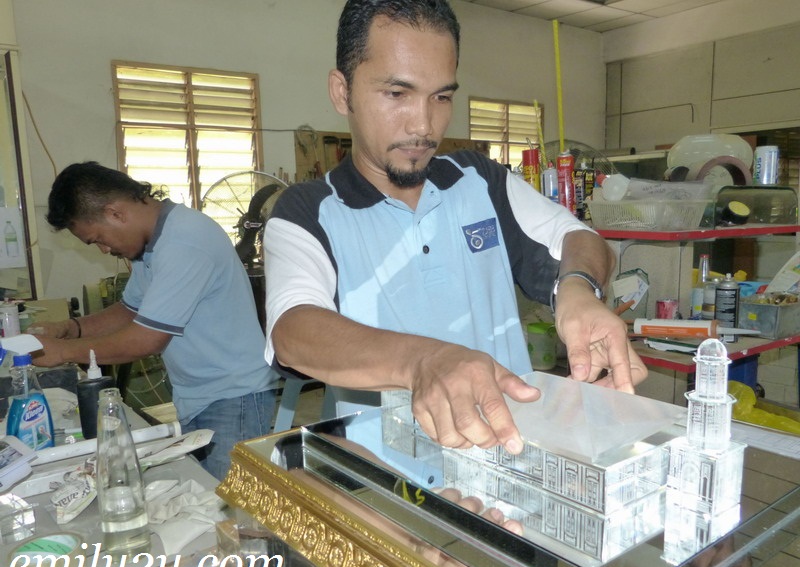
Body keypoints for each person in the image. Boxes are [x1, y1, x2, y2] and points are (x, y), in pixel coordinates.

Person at [263, 0, 647, 457]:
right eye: (397, 94)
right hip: (393, 478)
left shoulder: (480, 181)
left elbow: (579, 239)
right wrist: (423, 361)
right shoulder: (308, 212)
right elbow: (293, 330)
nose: (424, 125)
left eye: (441, 97)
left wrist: (578, 292)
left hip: (511, 456)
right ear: (342, 92)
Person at [30, 162, 279, 479]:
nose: (104, 249)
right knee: (204, 491)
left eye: (98, 239)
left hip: (233, 396)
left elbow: (147, 339)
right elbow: (130, 310)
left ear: (115, 213)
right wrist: (71, 329)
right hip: (198, 394)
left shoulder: (185, 241)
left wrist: (62, 351)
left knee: (225, 501)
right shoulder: (152, 244)